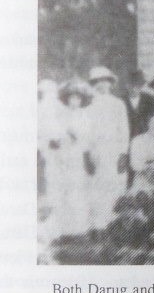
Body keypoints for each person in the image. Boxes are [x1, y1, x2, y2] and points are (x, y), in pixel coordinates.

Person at [85, 66, 130, 233]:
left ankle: (115, 224)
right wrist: (88, 155)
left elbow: (124, 130)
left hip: (114, 151)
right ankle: (98, 226)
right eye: (97, 82)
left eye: (104, 81)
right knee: (96, 188)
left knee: (115, 186)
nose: (101, 85)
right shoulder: (89, 107)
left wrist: (123, 153)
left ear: (110, 83)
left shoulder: (118, 104)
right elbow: (87, 133)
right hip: (96, 152)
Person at [47, 79, 92, 240]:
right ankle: (63, 230)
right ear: (67, 99)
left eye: (78, 98)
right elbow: (54, 138)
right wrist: (60, 140)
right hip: (63, 157)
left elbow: (87, 139)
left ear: (82, 100)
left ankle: (79, 229)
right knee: (63, 191)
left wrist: (77, 138)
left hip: (78, 157)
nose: (75, 101)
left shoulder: (85, 116)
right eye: (72, 98)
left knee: (78, 191)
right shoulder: (61, 116)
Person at [124, 69, 154, 138]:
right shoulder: (121, 101)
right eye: (131, 85)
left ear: (142, 86)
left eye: (138, 85)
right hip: (126, 136)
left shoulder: (149, 100)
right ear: (126, 85)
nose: (134, 88)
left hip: (145, 137)